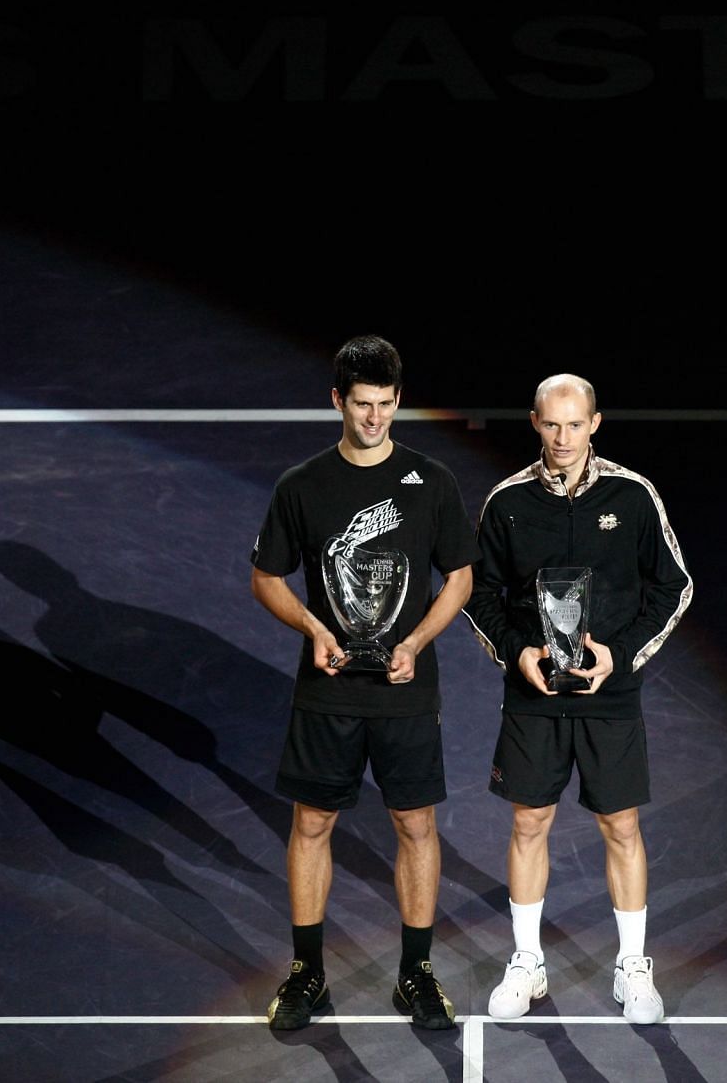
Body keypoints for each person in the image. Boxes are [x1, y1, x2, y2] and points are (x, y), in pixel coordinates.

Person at [249, 334, 478, 1031]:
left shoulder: (430, 481)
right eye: (361, 405)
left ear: (397, 401)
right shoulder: (303, 485)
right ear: (337, 402)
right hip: (329, 689)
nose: (374, 418)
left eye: (385, 405)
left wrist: (414, 640)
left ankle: (416, 972)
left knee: (416, 823)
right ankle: (307, 972)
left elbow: (460, 576)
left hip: (407, 687)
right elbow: (267, 576)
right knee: (312, 822)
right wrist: (314, 629)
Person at [462, 373, 694, 1024]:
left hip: (609, 694)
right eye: (551, 424)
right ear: (534, 422)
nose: (563, 437)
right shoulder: (508, 503)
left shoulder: (633, 495)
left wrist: (621, 655)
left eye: (575, 424)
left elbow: (672, 587)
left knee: (620, 826)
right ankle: (529, 961)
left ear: (595, 423)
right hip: (533, 692)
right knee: (529, 822)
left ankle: (631, 966)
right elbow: (477, 594)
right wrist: (519, 652)